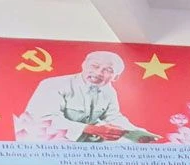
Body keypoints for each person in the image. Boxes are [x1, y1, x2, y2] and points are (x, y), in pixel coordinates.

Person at [22, 51, 161, 143]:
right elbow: (46, 120)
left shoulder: (109, 91)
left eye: (108, 70)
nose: (99, 73)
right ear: (83, 65)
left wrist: (135, 134)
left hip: (80, 145)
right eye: (94, 66)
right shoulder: (53, 84)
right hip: (43, 144)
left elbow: (113, 117)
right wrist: (92, 129)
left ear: (116, 77)